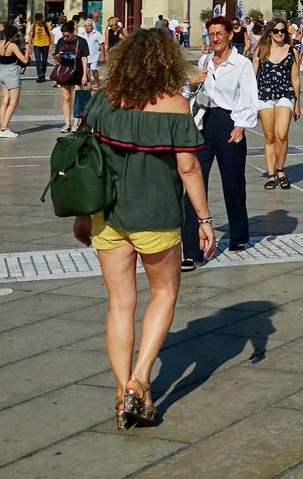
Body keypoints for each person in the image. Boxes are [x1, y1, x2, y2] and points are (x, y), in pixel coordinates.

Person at [72, 29, 215, 430]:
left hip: (107, 215)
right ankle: (139, 380)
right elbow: (188, 168)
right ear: (167, 62)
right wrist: (204, 219)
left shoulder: (101, 102)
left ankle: (123, 395)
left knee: (120, 304)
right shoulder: (175, 106)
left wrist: (82, 217)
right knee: (164, 294)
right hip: (156, 215)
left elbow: (85, 162)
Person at [179, 16, 257, 269]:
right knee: (193, 182)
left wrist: (241, 124)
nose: (215, 38)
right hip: (204, 122)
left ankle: (238, 234)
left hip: (229, 122)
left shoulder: (242, 64)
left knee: (233, 181)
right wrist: (191, 83)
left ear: (229, 35)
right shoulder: (204, 61)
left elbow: (249, 97)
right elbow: (190, 94)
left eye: (219, 33)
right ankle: (191, 251)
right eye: (211, 34)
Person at [254, 19, 300, 191]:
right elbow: (252, 77)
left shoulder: (292, 51)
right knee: (269, 136)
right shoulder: (261, 50)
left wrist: (297, 103)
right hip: (264, 95)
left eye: (282, 31)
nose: (280, 34)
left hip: (285, 94)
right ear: (270, 33)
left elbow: (295, 79)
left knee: (281, 134)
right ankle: (271, 174)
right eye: (276, 31)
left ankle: (281, 170)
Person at [0, 22, 30, 138]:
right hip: (11, 73)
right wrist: (28, 49)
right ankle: (4, 129)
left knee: (4, 101)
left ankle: (2, 127)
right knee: (13, 102)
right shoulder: (12, 46)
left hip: (2, 71)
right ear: (13, 35)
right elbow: (24, 60)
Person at [53, 20, 89, 133]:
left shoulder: (81, 42)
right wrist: (58, 56)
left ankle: (76, 123)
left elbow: (84, 58)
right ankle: (67, 124)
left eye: (67, 35)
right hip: (64, 71)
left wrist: (85, 74)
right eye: (63, 35)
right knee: (66, 98)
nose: (65, 38)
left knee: (78, 98)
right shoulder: (60, 41)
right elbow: (56, 59)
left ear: (73, 32)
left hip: (77, 71)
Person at [28, 12, 52, 83]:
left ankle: (43, 74)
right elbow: (31, 36)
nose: (38, 22)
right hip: (36, 45)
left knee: (44, 61)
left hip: (46, 45)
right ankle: (39, 75)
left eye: (39, 20)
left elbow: (51, 35)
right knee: (38, 60)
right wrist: (29, 47)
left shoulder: (47, 25)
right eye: (36, 20)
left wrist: (52, 45)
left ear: (42, 19)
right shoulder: (33, 25)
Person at [81, 18, 105, 88]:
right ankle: (89, 84)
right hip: (85, 56)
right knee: (87, 70)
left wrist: (103, 55)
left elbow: (102, 44)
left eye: (88, 25)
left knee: (94, 69)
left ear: (91, 26)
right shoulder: (81, 34)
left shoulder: (97, 34)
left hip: (95, 55)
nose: (87, 27)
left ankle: (97, 82)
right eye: (85, 26)